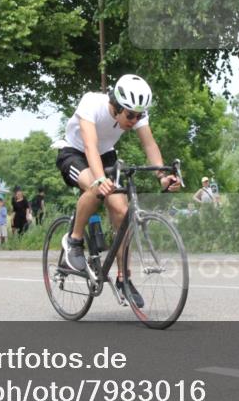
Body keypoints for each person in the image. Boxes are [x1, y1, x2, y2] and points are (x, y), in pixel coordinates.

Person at [54, 74, 180, 307]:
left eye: (139, 115)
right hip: (74, 153)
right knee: (95, 187)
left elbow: (149, 144)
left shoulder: (136, 113)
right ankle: (73, 240)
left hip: (106, 154)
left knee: (121, 211)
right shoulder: (92, 103)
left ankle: (124, 278)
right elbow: (90, 145)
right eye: (130, 115)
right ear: (116, 105)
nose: (134, 120)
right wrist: (100, 179)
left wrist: (162, 177)